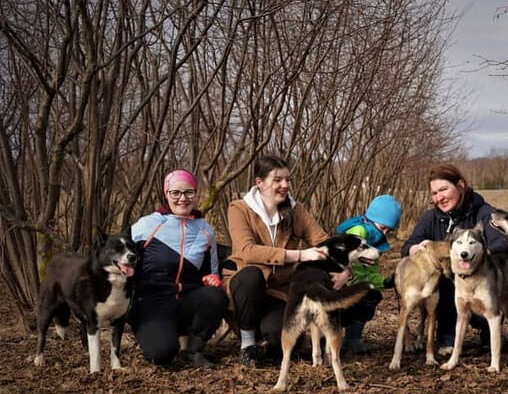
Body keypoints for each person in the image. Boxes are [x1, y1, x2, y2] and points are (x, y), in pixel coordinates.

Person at [224, 155, 349, 367]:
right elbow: (247, 251)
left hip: (279, 291)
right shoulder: (239, 208)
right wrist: (299, 255)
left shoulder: (294, 209)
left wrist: (345, 270)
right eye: (277, 180)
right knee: (251, 275)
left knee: (282, 336)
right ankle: (246, 345)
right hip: (245, 289)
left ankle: (265, 345)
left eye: (288, 180)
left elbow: (323, 241)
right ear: (259, 183)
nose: (285, 185)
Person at [401, 164, 508, 354]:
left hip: (481, 284)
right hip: (447, 288)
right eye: (434, 193)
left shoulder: (483, 212)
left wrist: (478, 261)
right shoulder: (430, 218)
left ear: (460, 186)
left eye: (443, 189)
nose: (439, 197)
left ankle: (488, 332)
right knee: (442, 279)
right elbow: (406, 248)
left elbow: (501, 244)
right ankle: (446, 337)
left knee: (481, 288)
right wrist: (419, 248)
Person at [129, 169, 229, 368]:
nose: (182, 198)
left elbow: (212, 272)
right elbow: (121, 258)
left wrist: (211, 278)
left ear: (196, 194)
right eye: (176, 193)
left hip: (187, 302)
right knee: (162, 354)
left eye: (189, 193)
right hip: (152, 303)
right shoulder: (147, 225)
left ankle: (193, 350)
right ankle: (162, 337)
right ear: (166, 194)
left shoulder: (205, 229)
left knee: (215, 296)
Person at [334, 194, 402, 354]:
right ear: (371, 219)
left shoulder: (375, 240)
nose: (385, 233)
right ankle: (331, 338)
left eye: (388, 230)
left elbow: (369, 274)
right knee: (364, 296)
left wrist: (386, 282)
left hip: (353, 285)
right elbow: (345, 259)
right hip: (337, 286)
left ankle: (352, 339)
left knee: (372, 295)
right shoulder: (358, 231)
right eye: (383, 227)